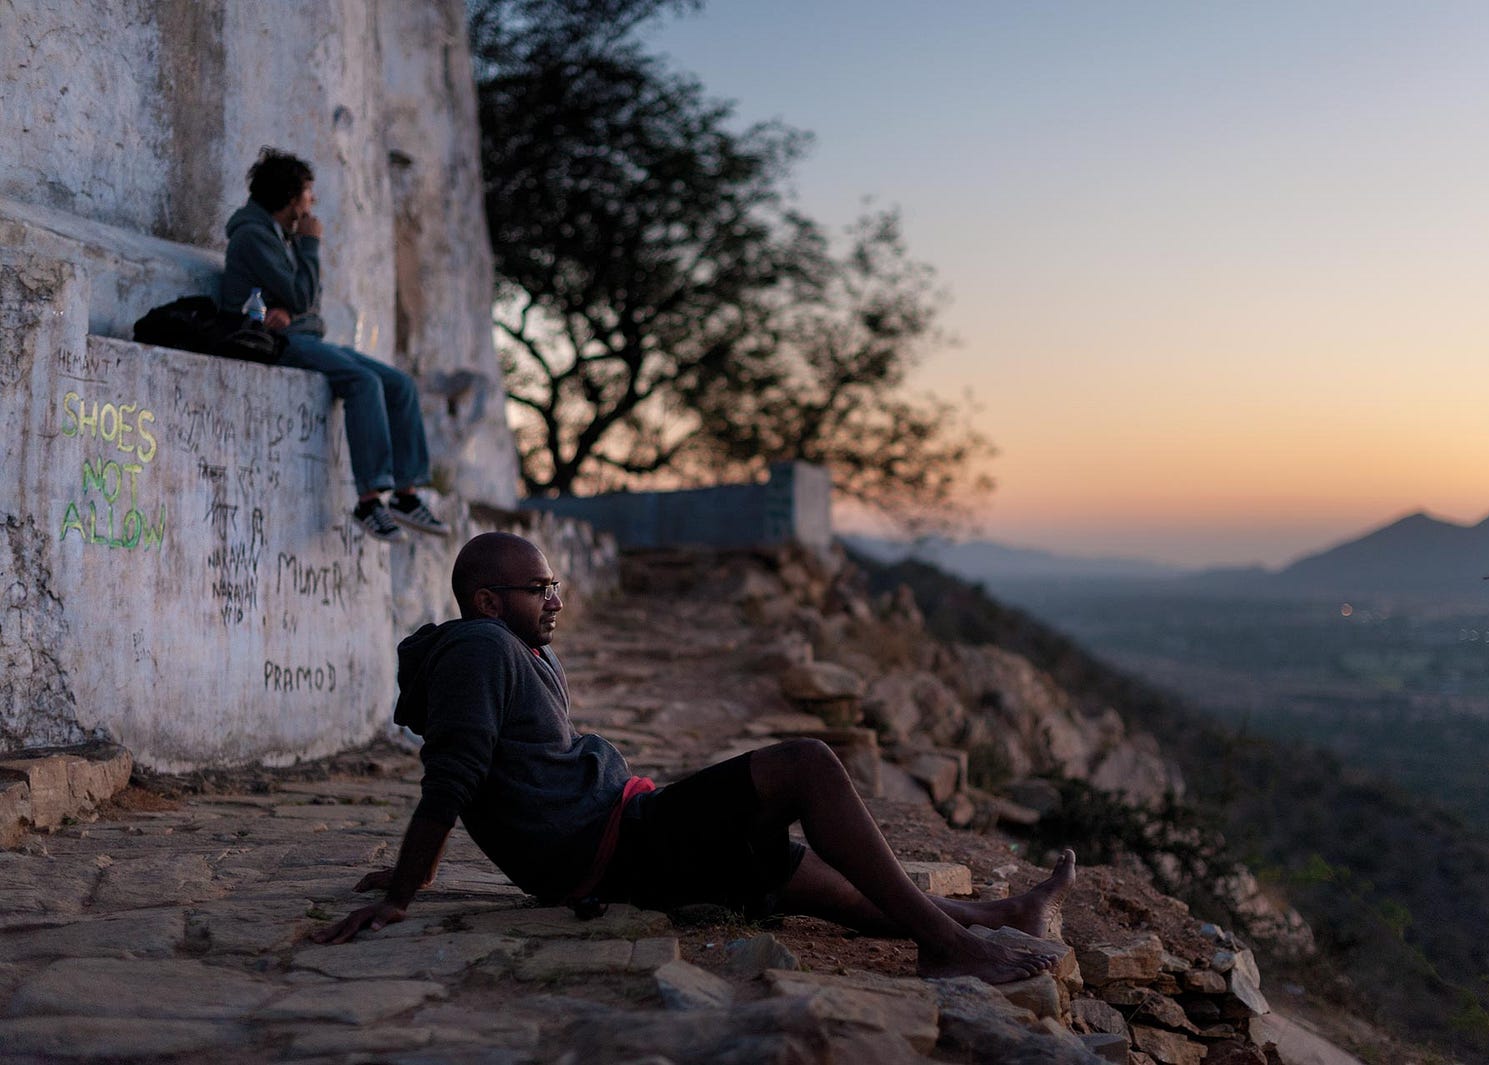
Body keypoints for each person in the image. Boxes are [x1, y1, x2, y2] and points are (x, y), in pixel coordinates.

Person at [312, 532, 1079, 985]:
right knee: (806, 762)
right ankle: (952, 946)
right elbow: (454, 776)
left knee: (822, 884)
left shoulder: (518, 649)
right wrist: (405, 889)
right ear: (487, 600)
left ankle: (999, 915)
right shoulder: (479, 648)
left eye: (555, 585)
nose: (556, 600)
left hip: (632, 833)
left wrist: (418, 875)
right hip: (617, 846)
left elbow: (489, 774)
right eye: (538, 588)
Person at [222, 148, 447, 542]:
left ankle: (406, 496)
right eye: (308, 193)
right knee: (363, 382)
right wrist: (310, 247)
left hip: (299, 334)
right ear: (291, 198)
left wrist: (290, 308)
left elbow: (303, 303)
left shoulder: (276, 236)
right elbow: (302, 296)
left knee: (399, 384)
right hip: (272, 343)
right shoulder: (253, 236)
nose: (313, 201)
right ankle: (369, 501)